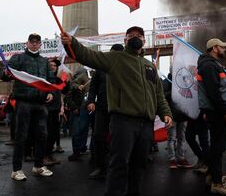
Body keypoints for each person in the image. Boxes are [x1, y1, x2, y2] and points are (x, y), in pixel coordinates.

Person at [61, 26, 172, 196]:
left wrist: (166, 112)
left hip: (146, 124)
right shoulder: (116, 58)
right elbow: (88, 56)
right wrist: (72, 43)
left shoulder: (149, 66)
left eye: (139, 35)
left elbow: (157, 93)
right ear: (125, 40)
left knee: (140, 164)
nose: (135, 37)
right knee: (119, 163)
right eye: (131, 35)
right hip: (123, 122)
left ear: (144, 41)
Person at [4, 33, 57, 181]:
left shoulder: (44, 61)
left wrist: (51, 92)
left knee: (42, 135)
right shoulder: (18, 58)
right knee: (21, 136)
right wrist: (6, 73)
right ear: (26, 43)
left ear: (40, 44)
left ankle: (38, 166)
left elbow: (51, 80)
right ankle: (16, 170)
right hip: (24, 102)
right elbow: (6, 74)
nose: (34, 44)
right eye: (31, 41)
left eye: (37, 42)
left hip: (40, 104)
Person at [196, 38, 226, 195]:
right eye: (222, 47)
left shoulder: (212, 64)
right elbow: (213, 92)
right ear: (214, 48)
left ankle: (212, 176)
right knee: (218, 147)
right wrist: (225, 111)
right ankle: (217, 183)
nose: (224, 49)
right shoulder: (208, 65)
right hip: (217, 112)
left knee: (216, 147)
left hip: (215, 111)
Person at [87, 45, 123, 179]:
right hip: (102, 107)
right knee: (97, 136)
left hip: (120, 109)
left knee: (120, 139)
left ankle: (119, 167)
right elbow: (93, 87)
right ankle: (101, 167)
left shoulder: (127, 68)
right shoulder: (101, 68)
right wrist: (90, 101)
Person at [44, 57, 66, 167]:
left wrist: (66, 80)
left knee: (53, 134)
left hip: (55, 110)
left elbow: (66, 90)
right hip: (46, 110)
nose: (53, 67)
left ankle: (49, 155)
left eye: (54, 65)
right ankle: (44, 156)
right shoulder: (44, 79)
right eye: (51, 65)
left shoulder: (58, 79)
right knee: (47, 134)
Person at [66, 68, 91, 161]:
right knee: (77, 131)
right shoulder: (75, 84)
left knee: (84, 130)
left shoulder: (91, 78)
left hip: (86, 108)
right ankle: (76, 151)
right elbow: (68, 97)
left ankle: (81, 148)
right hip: (77, 109)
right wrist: (74, 107)